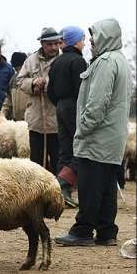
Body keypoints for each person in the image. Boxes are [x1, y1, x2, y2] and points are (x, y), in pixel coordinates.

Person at [55, 18, 132, 246]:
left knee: (89, 185)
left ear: (105, 37)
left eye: (94, 37)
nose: (90, 42)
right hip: (112, 137)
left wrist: (83, 129)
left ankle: (83, 230)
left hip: (97, 136)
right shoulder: (120, 60)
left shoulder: (106, 62)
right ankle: (107, 232)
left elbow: (98, 102)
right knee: (107, 186)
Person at [47, 26, 88, 208]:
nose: (84, 43)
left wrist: (60, 104)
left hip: (60, 107)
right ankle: (64, 184)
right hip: (74, 106)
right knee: (80, 147)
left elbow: (50, 90)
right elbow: (83, 90)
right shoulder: (78, 61)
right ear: (76, 41)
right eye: (83, 39)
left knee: (65, 149)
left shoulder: (57, 61)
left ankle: (57, 192)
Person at [16, 27, 62, 175]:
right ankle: (37, 193)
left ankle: (57, 192)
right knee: (36, 161)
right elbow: (20, 80)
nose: (54, 47)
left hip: (56, 121)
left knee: (57, 160)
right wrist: (33, 83)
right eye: (49, 44)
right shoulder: (31, 60)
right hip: (36, 120)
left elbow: (66, 83)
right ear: (42, 44)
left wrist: (46, 84)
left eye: (56, 43)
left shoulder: (63, 59)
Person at [1, 52, 30, 121]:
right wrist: (2, 114)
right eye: (17, 69)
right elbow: (8, 100)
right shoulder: (13, 80)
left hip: (29, 121)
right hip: (18, 122)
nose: (19, 72)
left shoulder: (31, 78)